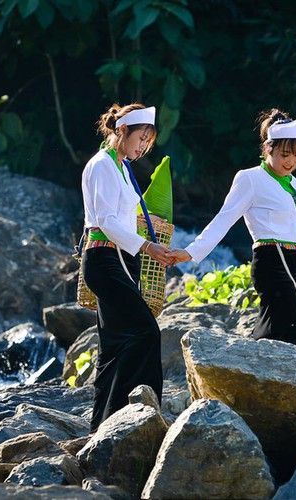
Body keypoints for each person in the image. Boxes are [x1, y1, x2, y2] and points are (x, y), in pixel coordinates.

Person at [168, 108, 296, 346]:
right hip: (272, 261)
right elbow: (224, 219)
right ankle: (257, 375)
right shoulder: (250, 178)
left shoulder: (294, 183)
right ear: (268, 148)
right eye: (285, 154)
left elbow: (292, 226)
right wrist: (190, 252)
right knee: (275, 329)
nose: (291, 161)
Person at [81, 103, 171, 433]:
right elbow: (104, 221)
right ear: (122, 131)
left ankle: (100, 426)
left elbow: (119, 214)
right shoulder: (102, 165)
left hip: (122, 259)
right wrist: (148, 245)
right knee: (146, 332)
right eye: (141, 138)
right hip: (105, 260)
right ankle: (139, 415)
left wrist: (149, 224)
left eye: (149, 141)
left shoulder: (122, 167)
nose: (144, 146)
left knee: (113, 347)